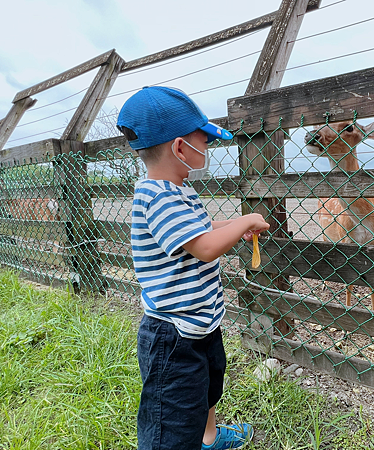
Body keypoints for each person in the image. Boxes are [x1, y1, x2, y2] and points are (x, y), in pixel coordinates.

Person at [117, 86, 270, 450]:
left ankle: (209, 438)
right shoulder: (156, 196)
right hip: (172, 334)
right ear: (180, 148)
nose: (209, 146)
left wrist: (234, 224)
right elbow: (203, 248)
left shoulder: (180, 191)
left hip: (201, 322)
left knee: (206, 388)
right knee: (171, 417)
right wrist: (245, 218)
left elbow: (200, 231)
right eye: (205, 139)